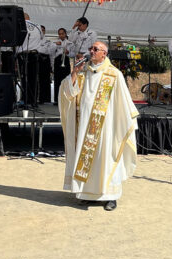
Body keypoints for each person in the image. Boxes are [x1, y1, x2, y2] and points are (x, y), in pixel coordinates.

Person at [59, 41, 139, 211]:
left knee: (107, 159)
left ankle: (111, 197)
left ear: (104, 53)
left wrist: (128, 120)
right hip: (84, 125)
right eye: (91, 48)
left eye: (95, 49)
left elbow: (124, 102)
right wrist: (74, 72)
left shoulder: (114, 74)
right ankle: (88, 194)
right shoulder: (83, 73)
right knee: (87, 158)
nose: (91, 51)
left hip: (106, 127)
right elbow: (68, 93)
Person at [16, 13, 44, 107]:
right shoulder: (38, 26)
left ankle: (25, 100)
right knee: (34, 78)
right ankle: (33, 100)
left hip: (23, 55)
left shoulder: (19, 26)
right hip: (35, 54)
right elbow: (41, 37)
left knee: (24, 78)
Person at [52, 28, 72, 105]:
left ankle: (65, 99)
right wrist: (55, 45)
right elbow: (51, 52)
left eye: (62, 34)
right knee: (57, 80)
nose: (61, 35)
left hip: (66, 60)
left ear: (65, 34)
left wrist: (68, 52)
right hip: (58, 61)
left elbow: (73, 54)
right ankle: (57, 100)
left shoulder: (70, 43)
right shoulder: (55, 42)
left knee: (66, 80)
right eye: (59, 34)